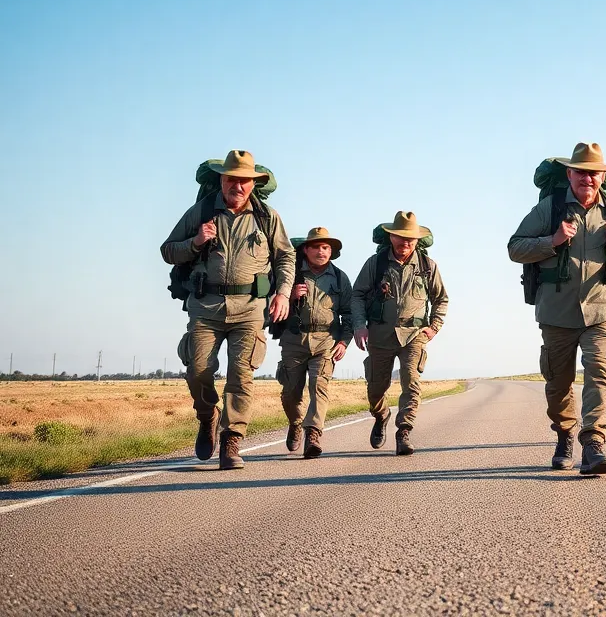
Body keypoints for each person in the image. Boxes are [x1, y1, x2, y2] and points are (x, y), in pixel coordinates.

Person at [508, 142, 606, 475]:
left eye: (594, 173)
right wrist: (552, 241)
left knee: (599, 372)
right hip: (556, 311)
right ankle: (564, 435)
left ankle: (593, 442)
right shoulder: (550, 208)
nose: (588, 178)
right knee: (558, 382)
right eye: (581, 172)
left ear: (603, 176)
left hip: (603, 309)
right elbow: (515, 248)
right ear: (570, 174)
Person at [160, 150, 295, 469]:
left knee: (241, 375)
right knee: (198, 371)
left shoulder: (267, 216)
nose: (238, 185)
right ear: (222, 180)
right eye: (232, 179)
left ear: (253, 183)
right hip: (205, 307)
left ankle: (232, 440)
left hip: (250, 309)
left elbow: (285, 257)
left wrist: (283, 293)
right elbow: (168, 251)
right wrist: (195, 242)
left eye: (245, 180)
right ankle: (207, 415)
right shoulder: (201, 212)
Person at [351, 211, 449, 456]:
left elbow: (441, 299)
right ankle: (381, 415)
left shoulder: (427, 266)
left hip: (414, 334)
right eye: (401, 237)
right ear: (391, 237)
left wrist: (434, 327)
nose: (405, 242)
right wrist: (359, 325)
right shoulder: (375, 264)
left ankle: (404, 431)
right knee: (376, 389)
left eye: (410, 238)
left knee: (411, 382)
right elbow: (357, 295)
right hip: (379, 334)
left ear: (417, 240)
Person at [275, 227, 353, 459]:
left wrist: (344, 342)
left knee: (319, 387)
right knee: (290, 393)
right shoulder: (290, 274)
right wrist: (289, 296)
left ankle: (313, 434)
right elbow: (270, 305)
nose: (321, 251)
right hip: (294, 339)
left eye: (326, 247)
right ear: (306, 250)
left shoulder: (340, 278)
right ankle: (295, 422)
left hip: (326, 340)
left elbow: (349, 313)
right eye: (316, 247)